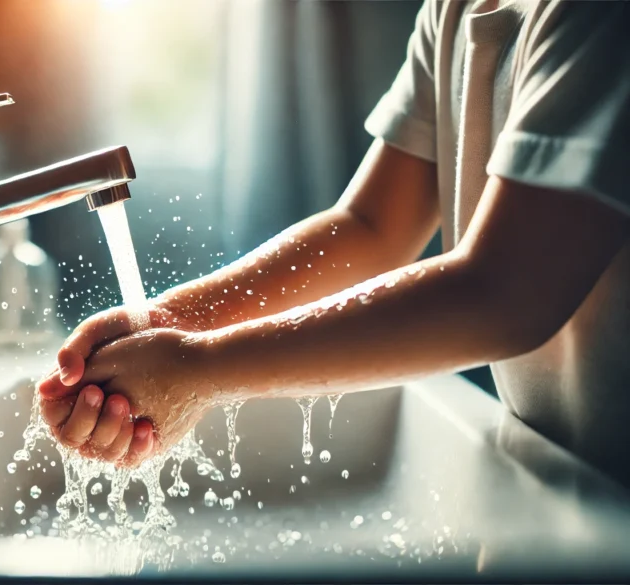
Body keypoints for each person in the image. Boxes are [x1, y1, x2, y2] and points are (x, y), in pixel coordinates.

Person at [37, 0, 630, 484]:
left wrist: (199, 369)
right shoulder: (453, 11)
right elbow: (370, 228)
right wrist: (172, 320)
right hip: (561, 477)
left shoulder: (596, 17)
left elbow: (505, 293)